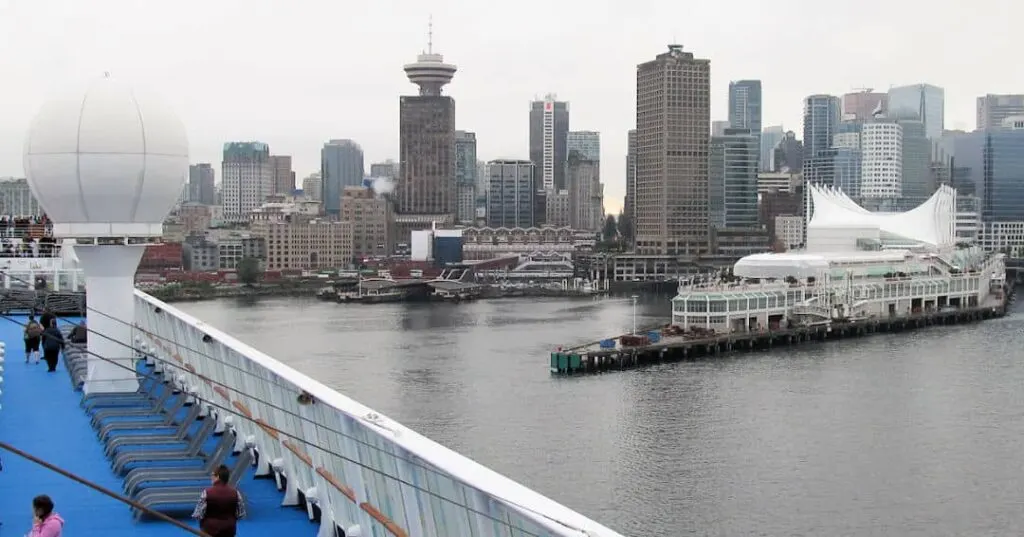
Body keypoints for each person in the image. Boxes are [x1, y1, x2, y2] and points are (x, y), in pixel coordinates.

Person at [192, 464, 246, 537]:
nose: (211, 477)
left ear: (218, 477)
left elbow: (198, 515)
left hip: (209, 531)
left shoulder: (206, 493)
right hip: (229, 531)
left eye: (212, 475)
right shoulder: (236, 493)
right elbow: (240, 515)